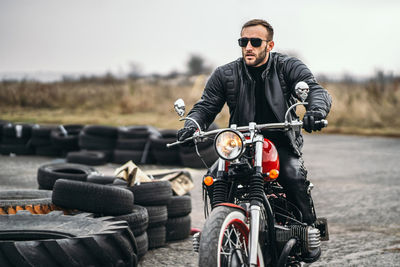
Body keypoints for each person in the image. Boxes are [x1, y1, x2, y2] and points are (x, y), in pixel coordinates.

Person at [177, 18, 331, 259]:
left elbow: (316, 90)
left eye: (255, 42)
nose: (248, 46)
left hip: (280, 141)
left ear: (269, 45)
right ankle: (219, 231)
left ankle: (308, 235)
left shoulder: (287, 66)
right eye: (243, 41)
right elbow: (206, 106)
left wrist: (316, 111)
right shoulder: (225, 74)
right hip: (240, 144)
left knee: (292, 175)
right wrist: (191, 125)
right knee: (213, 178)